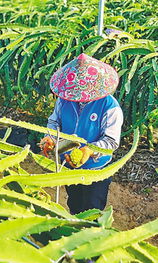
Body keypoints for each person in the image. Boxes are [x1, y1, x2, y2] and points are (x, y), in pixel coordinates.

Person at [39, 53, 123, 215]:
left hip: (96, 168)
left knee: (92, 209)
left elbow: (111, 141)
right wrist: (51, 138)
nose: (79, 96)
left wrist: (90, 150)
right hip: (70, 163)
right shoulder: (65, 99)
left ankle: (91, 235)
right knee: (74, 203)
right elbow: (54, 122)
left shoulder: (110, 106)